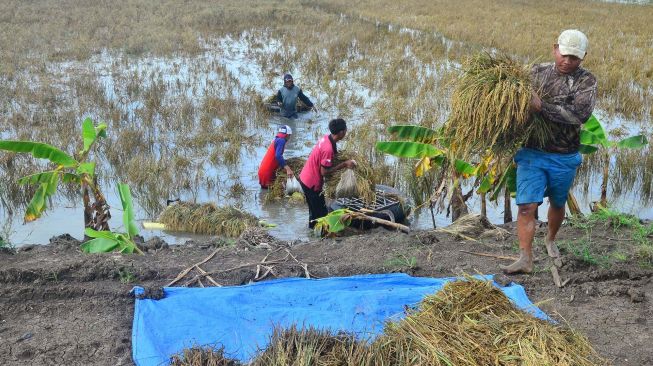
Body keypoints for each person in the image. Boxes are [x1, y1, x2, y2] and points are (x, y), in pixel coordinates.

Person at [501, 29, 597, 274]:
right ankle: (525, 258)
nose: (567, 61)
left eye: (574, 58)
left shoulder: (586, 81)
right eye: (564, 55)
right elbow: (514, 100)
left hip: (564, 155)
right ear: (555, 49)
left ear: (583, 57)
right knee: (526, 206)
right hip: (532, 152)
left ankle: (550, 238)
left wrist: (541, 106)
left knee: (557, 201)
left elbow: (579, 114)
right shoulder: (534, 73)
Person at [298, 118, 356, 228]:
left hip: (304, 177)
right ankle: (319, 237)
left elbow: (332, 156)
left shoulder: (327, 138)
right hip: (311, 183)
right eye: (346, 130)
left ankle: (311, 232)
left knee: (313, 210)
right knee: (321, 214)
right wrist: (344, 164)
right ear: (341, 132)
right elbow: (324, 172)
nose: (346, 132)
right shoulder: (328, 149)